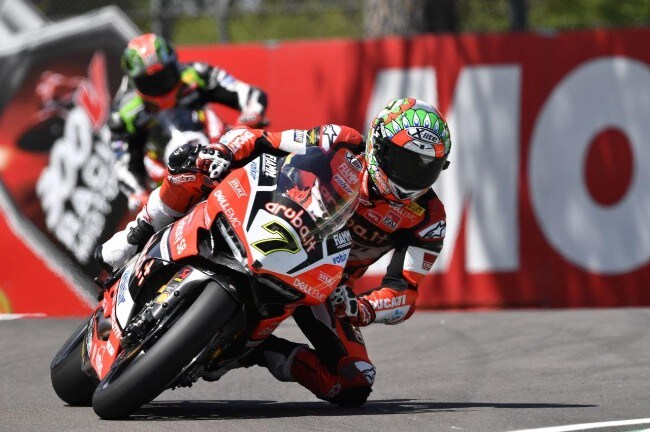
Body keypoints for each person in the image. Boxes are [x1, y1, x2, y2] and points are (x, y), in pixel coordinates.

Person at [97, 97, 451, 407]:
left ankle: (260, 350)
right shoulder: (340, 140)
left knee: (354, 382)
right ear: (378, 146)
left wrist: (363, 308)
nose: (414, 176)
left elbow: (404, 292)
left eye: (428, 167)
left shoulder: (429, 218)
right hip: (276, 216)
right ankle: (136, 235)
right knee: (194, 165)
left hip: (324, 281)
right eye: (406, 162)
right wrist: (223, 152)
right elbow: (263, 140)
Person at [109, 32, 268, 210]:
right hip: (167, 182)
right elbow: (122, 163)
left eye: (164, 76)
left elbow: (248, 93)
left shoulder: (196, 73)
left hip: (220, 148)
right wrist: (138, 193)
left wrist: (250, 114)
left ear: (174, 64)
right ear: (134, 81)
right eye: (150, 82)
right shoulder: (122, 113)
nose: (160, 85)